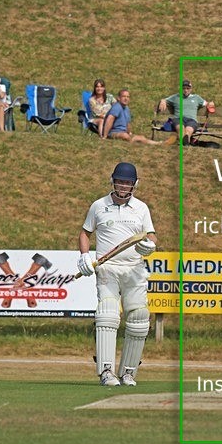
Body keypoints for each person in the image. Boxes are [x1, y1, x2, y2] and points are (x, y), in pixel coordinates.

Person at [77, 162, 157, 386]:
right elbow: (85, 233)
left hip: (134, 270)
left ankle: (129, 372)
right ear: (113, 181)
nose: (123, 186)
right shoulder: (99, 206)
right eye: (120, 181)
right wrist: (84, 256)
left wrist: (149, 246)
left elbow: (150, 236)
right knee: (107, 315)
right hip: (108, 270)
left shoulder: (141, 208)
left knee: (139, 317)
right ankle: (106, 372)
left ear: (134, 185)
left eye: (128, 182)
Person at [103, 89, 169, 145]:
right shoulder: (117, 107)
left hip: (123, 132)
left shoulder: (126, 109)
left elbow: (127, 123)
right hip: (113, 132)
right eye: (124, 96)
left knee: (141, 137)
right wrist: (105, 136)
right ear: (118, 98)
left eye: (128, 97)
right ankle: (136, 141)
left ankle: (158, 143)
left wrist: (130, 132)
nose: (126, 98)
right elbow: (110, 119)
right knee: (125, 136)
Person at [157, 80, 214, 145]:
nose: (186, 90)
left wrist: (211, 103)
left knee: (188, 130)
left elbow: (207, 103)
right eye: (184, 88)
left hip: (191, 120)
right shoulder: (176, 97)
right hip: (178, 119)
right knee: (180, 128)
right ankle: (185, 142)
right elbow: (165, 100)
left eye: (188, 88)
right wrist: (162, 101)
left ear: (191, 89)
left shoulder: (196, 97)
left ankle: (185, 139)